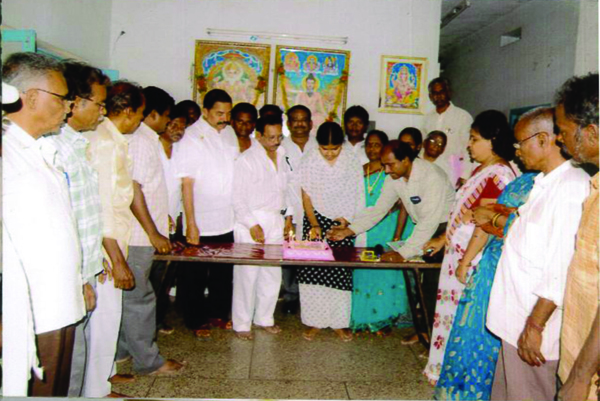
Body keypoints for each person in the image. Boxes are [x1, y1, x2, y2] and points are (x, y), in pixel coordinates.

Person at [486, 108, 590, 401]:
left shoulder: (571, 188)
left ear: (544, 140)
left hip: (534, 325)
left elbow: (562, 267)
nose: (516, 151)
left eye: (520, 143)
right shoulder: (544, 183)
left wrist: (535, 326)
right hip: (514, 318)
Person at [2, 52, 83, 397]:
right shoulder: (6, 153)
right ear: (32, 97)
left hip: (59, 300)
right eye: (62, 98)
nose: (68, 108)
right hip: (27, 308)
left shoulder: (41, 150)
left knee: (53, 390)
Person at [422, 110, 517, 384]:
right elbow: (463, 215)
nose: (469, 144)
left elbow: (484, 225)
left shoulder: (498, 175)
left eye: (474, 139)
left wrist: (465, 261)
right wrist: (443, 239)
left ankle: (456, 375)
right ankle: (444, 369)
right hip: (459, 255)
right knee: (450, 315)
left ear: (493, 140)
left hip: (472, 259)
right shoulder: (482, 170)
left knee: (462, 317)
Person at [328, 140, 455, 345]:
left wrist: (402, 253)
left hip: (443, 230)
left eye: (390, 165)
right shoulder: (395, 176)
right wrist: (349, 230)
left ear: (406, 160)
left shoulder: (432, 176)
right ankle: (424, 331)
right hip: (424, 227)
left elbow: (430, 222)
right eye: (384, 165)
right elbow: (379, 210)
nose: (386, 170)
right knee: (421, 285)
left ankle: (434, 340)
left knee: (433, 286)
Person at [46, 61, 108, 397]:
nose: (102, 111)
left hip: (82, 269)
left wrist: (95, 259)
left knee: (76, 353)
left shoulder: (75, 145)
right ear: (77, 103)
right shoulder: (55, 149)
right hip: (67, 276)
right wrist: (78, 277)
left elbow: (83, 212)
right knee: (68, 360)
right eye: (99, 104)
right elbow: (59, 222)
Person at [117, 85, 183, 376]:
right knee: (140, 299)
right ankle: (148, 361)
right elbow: (134, 189)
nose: (168, 122)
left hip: (143, 232)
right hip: (138, 236)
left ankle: (121, 351)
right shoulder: (141, 141)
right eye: (166, 116)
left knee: (131, 297)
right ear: (152, 114)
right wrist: (154, 232)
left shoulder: (146, 139)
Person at [81, 81, 141, 395]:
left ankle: (104, 375)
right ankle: (96, 390)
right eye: (140, 113)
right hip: (106, 246)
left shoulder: (113, 139)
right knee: (103, 319)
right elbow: (102, 205)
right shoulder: (104, 142)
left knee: (109, 316)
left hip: (115, 238)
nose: (140, 119)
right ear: (128, 111)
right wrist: (116, 260)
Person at [176, 88, 237, 337]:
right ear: (205, 111)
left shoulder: (229, 133)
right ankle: (195, 319)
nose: (225, 118)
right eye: (219, 113)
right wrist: (191, 223)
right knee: (196, 274)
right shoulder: (191, 137)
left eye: (228, 113)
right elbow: (186, 183)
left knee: (223, 271)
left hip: (227, 217)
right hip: (201, 218)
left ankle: (218, 313)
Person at [297, 122, 364, 342]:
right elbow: (306, 195)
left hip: (341, 222)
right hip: (314, 219)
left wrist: (347, 220)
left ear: (341, 145)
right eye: (324, 149)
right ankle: (315, 321)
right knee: (312, 272)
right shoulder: (309, 159)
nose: (329, 153)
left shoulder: (351, 160)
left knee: (339, 272)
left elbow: (357, 192)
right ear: (317, 145)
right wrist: (314, 223)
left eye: (334, 149)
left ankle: (338, 322)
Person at [554, 73, 599, 401]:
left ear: (592, 133)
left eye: (564, 130)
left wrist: (581, 377)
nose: (559, 138)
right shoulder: (595, 187)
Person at [231, 116, 293, 340]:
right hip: (251, 220)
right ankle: (241, 323)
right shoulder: (246, 160)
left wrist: (288, 216)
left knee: (271, 273)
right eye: (271, 137)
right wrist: (251, 224)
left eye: (279, 137)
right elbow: (237, 197)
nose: (276, 142)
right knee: (247, 275)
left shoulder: (282, 154)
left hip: (276, 219)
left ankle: (264, 318)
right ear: (258, 136)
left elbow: (287, 189)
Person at [350, 130, 412, 333]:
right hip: (365, 227)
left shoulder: (392, 172)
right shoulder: (359, 170)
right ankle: (362, 318)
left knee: (384, 272)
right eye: (369, 144)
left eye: (377, 145)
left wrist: (397, 235)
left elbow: (404, 203)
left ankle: (383, 319)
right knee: (363, 270)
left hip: (387, 226)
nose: (372, 149)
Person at [280, 105, 317, 314]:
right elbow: (280, 184)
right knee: (290, 257)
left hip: (315, 213)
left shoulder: (319, 146)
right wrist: (287, 215)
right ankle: (291, 296)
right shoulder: (280, 147)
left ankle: (312, 297)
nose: (300, 124)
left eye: (304, 120)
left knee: (314, 256)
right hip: (291, 211)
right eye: (295, 119)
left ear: (311, 123)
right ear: (288, 123)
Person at [422, 77, 474, 188]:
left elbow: (469, 148)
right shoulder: (427, 118)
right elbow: (423, 148)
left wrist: (465, 175)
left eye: (442, 92)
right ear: (430, 96)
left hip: (454, 173)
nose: (438, 96)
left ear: (449, 93)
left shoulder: (463, 117)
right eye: (435, 93)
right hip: (429, 172)